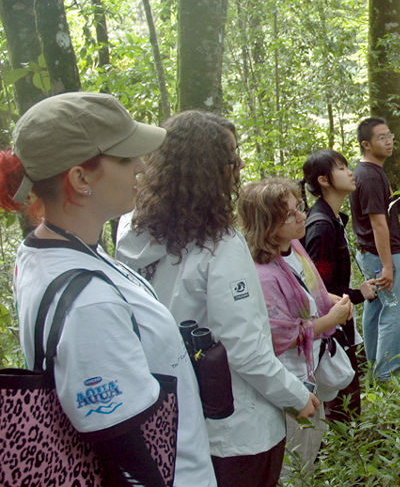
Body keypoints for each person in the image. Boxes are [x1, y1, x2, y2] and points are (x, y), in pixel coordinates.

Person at [1, 92, 215, 486]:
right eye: (124, 158)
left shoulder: (46, 251)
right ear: (81, 179)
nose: (139, 167)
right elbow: (128, 454)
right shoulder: (89, 303)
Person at [115, 110, 319, 487]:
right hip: (237, 428)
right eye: (231, 157)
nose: (239, 164)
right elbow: (245, 348)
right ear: (206, 171)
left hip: (170, 418)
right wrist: (296, 396)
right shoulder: (220, 244)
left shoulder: (131, 230)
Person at [238, 178, 354, 477]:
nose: (302, 216)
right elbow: (281, 336)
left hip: (308, 366)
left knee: (311, 443)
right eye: (290, 214)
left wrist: (333, 301)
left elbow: (309, 289)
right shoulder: (263, 274)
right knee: (295, 458)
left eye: (298, 208)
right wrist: (332, 319)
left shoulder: (294, 248)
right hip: (289, 378)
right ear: (267, 223)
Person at [301, 149, 376, 421]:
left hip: (339, 316)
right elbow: (317, 287)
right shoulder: (321, 226)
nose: (350, 173)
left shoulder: (333, 219)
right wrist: (357, 295)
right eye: (342, 168)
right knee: (342, 388)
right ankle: (346, 450)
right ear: (323, 180)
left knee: (348, 383)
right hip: (329, 324)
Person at [350, 117, 400, 382]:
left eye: (390, 136)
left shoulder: (367, 172)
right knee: (396, 311)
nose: (389, 141)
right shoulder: (370, 177)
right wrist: (387, 266)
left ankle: (374, 363)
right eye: (381, 138)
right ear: (366, 144)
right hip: (380, 256)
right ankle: (387, 375)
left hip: (369, 254)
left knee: (375, 307)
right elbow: (378, 224)